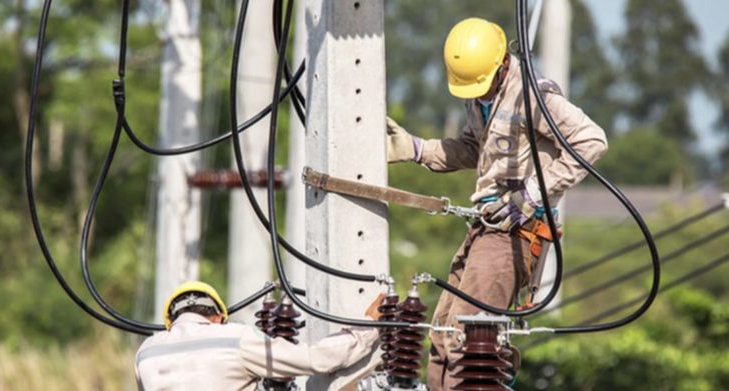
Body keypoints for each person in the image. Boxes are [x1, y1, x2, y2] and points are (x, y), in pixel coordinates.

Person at [386, 17, 608, 389]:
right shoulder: (480, 99)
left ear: (504, 63)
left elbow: (592, 141)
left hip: (517, 233)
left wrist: (533, 193)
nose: (480, 94)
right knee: (442, 333)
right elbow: (475, 149)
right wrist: (418, 149)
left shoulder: (535, 95)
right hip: (488, 227)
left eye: (485, 86)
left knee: (467, 339)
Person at [135, 281, 384, 390]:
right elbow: (315, 358)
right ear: (219, 316)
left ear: (171, 320)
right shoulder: (233, 338)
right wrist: (368, 326)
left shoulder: (146, 352)